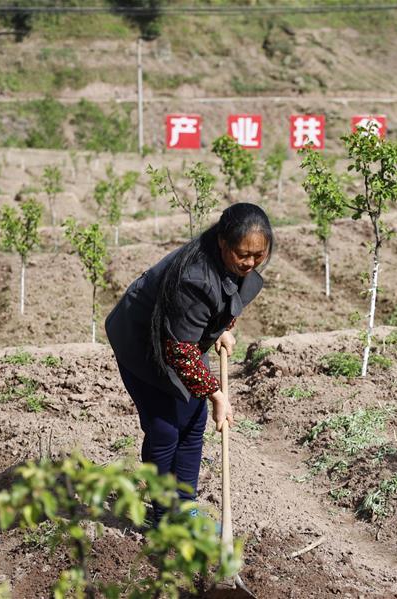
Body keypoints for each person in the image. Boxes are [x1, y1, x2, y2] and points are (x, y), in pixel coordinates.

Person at [105, 203, 272, 524]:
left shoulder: (227, 263)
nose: (250, 262)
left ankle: (185, 505)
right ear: (223, 242)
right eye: (243, 254)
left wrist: (222, 329)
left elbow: (223, 300)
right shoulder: (194, 278)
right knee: (165, 429)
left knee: (193, 421)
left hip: (176, 334)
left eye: (258, 255)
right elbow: (181, 350)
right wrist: (218, 394)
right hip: (142, 341)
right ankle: (165, 516)